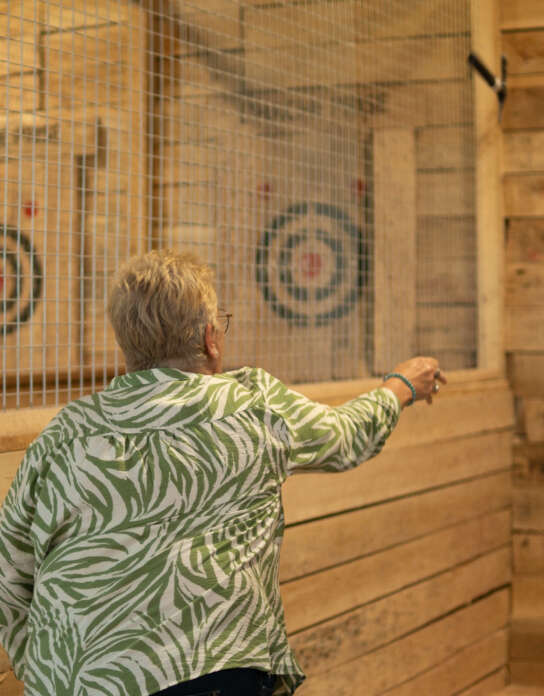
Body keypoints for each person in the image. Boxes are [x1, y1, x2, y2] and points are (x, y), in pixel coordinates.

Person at [0, 249, 446, 696]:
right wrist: (401, 385)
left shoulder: (65, 433)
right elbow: (348, 436)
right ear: (210, 338)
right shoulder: (253, 405)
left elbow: (9, 573)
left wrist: (47, 667)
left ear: (127, 344)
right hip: (214, 675)